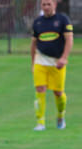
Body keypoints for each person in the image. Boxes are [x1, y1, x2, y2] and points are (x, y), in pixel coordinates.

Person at [31, 0, 73, 131]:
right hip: (40, 60)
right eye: (43, 4)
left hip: (56, 62)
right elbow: (33, 44)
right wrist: (33, 63)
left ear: (54, 5)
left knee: (58, 93)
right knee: (40, 90)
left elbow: (69, 40)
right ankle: (40, 122)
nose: (46, 7)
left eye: (49, 4)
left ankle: (60, 116)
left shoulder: (63, 20)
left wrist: (64, 58)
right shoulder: (37, 22)